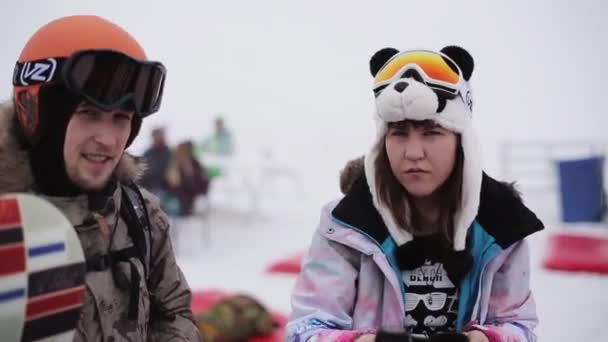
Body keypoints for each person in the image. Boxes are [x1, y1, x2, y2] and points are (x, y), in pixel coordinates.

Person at [287, 47, 544, 342]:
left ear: (461, 140)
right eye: (398, 133)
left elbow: (519, 328)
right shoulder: (344, 227)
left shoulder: (501, 225)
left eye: (431, 132)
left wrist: (482, 340)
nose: (412, 153)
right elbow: (305, 330)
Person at [1, 15, 201, 341]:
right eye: (88, 114)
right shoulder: (7, 221)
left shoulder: (140, 214)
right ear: (35, 113)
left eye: (121, 118)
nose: (108, 140)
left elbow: (174, 314)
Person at [165, 141, 210, 216]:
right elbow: (171, 185)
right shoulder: (174, 165)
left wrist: (189, 174)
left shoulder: (195, 165)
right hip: (177, 199)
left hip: (190, 199)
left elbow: (201, 183)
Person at [141, 127, 172, 195]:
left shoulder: (170, 153)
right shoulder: (148, 154)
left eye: (162, 135)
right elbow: (143, 175)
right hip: (152, 189)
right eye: (158, 136)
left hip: (169, 190)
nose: (161, 138)